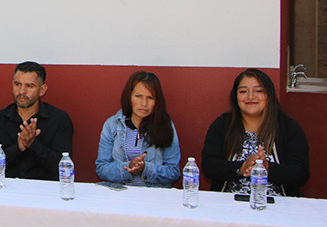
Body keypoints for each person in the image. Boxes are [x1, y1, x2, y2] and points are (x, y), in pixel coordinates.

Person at [202, 68, 309, 196]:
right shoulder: (222, 125)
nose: (250, 96)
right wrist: (241, 167)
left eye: (259, 91)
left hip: (278, 205)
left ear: (269, 95)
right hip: (230, 204)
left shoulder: (288, 127)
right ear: (235, 96)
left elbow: (300, 173)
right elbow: (209, 166)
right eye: (243, 91)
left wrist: (267, 167)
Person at [0, 61, 73, 180]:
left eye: (29, 86)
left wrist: (33, 144)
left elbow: (63, 167)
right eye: (17, 84)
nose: (22, 91)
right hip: (6, 188)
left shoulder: (59, 119)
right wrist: (18, 147)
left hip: (45, 190)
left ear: (42, 90)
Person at [95, 71, 180, 187]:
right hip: (119, 195)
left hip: (153, 197)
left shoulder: (165, 125)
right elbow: (101, 168)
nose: (144, 103)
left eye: (150, 98)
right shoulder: (112, 125)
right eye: (138, 96)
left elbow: (173, 172)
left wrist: (146, 168)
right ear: (129, 96)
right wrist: (128, 167)